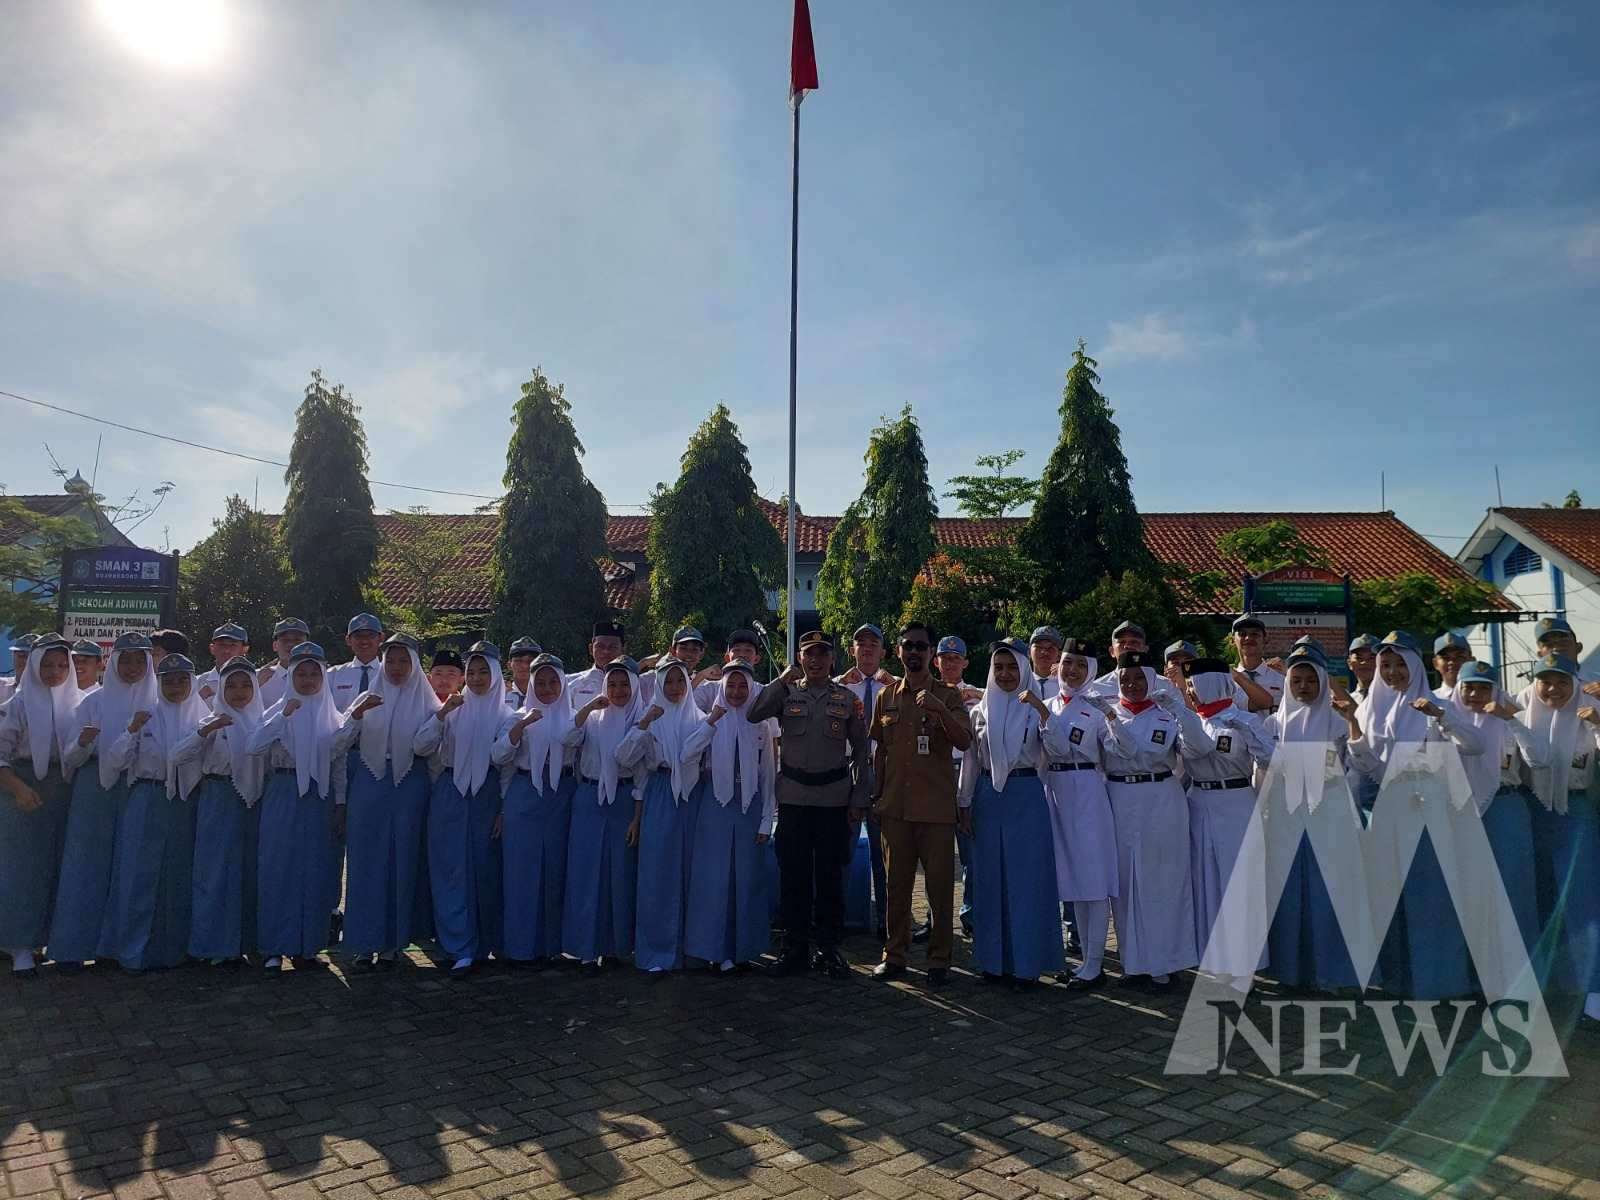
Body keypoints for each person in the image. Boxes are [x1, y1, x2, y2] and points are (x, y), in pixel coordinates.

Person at [1354, 631, 1480, 999]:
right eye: (1386, 665)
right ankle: (1395, 980)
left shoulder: (1438, 702)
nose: (1392, 672)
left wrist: (1441, 717)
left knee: (1430, 899)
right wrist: (1353, 730)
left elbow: (1475, 745)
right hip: (1386, 812)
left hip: (1431, 815)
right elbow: (1370, 769)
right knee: (1389, 901)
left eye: (1400, 665)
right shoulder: (1368, 709)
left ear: (1415, 666)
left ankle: (1437, 981)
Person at [1086, 649, 1212, 990]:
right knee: (1126, 885)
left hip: (1160, 798)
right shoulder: (1103, 715)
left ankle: (1165, 963)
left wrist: (1181, 710)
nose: (1132, 685)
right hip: (1118, 798)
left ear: (1152, 679)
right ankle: (1134, 964)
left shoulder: (1166, 714)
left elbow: (1196, 748)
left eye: (1140, 678)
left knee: (1162, 881)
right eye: (1125, 679)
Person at [747, 631, 868, 979]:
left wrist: (860, 797)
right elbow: (755, 713)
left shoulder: (847, 699)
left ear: (833, 660)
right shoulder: (787, 695)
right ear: (799, 658)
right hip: (795, 799)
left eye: (822, 655)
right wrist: (781, 680)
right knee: (793, 874)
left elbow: (860, 750)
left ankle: (828, 948)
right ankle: (794, 946)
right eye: (808, 654)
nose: (815, 661)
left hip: (833, 799)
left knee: (830, 876)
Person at [1261, 645, 1373, 992]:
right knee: (1289, 896)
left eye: (1312, 679)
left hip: (1330, 819)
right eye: (1297, 679)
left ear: (1324, 682)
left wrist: (1353, 722)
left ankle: (1331, 975)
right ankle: (1290, 974)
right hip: (1286, 820)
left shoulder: (1339, 719)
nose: (1305, 686)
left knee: (1328, 896)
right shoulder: (1272, 723)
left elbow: (1363, 764)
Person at [866, 623, 972, 984]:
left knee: (940, 889)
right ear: (898, 652)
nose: (914, 652)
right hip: (895, 807)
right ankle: (894, 955)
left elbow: (964, 742)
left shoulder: (948, 695)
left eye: (921, 647)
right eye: (907, 646)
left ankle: (939, 960)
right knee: (896, 886)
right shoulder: (887, 696)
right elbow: (879, 752)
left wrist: (941, 709)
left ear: (930, 653)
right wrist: (877, 796)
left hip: (936, 809)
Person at [333, 632, 441, 971]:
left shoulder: (427, 702)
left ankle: (395, 941)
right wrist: (356, 716)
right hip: (369, 782)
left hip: (410, 785)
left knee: (404, 860)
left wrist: (438, 719)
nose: (396, 668)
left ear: (414, 665)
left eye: (403, 661)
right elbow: (337, 743)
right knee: (367, 861)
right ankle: (364, 942)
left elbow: (429, 751)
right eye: (390, 660)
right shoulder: (367, 696)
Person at [50, 632, 157, 970]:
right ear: (113, 663)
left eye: (140, 661)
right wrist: (82, 744)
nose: (132, 667)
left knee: (129, 868)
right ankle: (73, 946)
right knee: (85, 866)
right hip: (94, 789)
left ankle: (116, 946)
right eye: (125, 660)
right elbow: (70, 757)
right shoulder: (92, 702)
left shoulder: (157, 702)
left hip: (138, 789)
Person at [959, 638, 1063, 986]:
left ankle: (1027, 964)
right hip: (989, 797)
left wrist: (1043, 711)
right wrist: (964, 802)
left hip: (1026, 794)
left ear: (1025, 669)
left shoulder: (1037, 707)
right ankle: (993, 961)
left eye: (1012, 667)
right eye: (999, 667)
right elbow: (972, 761)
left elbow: (1057, 750)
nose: (1005, 674)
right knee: (990, 878)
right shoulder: (980, 711)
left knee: (1025, 881)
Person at [99, 652, 205, 971]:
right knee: (137, 876)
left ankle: (173, 951)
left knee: (177, 877)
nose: (175, 687)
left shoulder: (202, 717)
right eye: (168, 681)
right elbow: (115, 762)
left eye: (182, 680)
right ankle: (130, 951)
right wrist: (131, 730)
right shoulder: (145, 715)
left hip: (185, 802)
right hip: (146, 797)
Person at [415, 642, 513, 978]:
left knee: (485, 868)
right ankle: (457, 945)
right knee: (450, 868)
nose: (477, 678)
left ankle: (486, 942)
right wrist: (442, 714)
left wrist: (502, 808)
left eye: (484, 671)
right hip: (450, 790)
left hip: (487, 794)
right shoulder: (451, 709)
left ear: (497, 675)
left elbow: (505, 764)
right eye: (471, 672)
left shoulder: (506, 714)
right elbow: (422, 745)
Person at [247, 642, 345, 972]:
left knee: (314, 870)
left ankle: (307, 946)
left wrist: (341, 804)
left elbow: (339, 765)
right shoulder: (276, 710)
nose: (306, 679)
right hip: (283, 791)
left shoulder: (332, 715)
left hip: (319, 796)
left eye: (313, 673)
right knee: (278, 868)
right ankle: (275, 946)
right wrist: (283, 716)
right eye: (300, 673)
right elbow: (254, 746)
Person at [1516, 652, 1600, 1027]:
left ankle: (1593, 993)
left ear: (1575, 683)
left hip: (1574, 813)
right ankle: (1553, 986)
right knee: (1540, 900)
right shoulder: (1519, 708)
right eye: (1545, 681)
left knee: (1582, 903)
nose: (1553, 689)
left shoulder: (1590, 709)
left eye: (1562, 681)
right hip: (1531, 812)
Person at [1180, 657, 1275, 986]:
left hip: (1235, 802)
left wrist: (1248, 728)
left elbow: (1272, 757)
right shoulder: (1191, 721)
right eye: (1188, 686)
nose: (1190, 692)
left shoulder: (1241, 719)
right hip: (1199, 803)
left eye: (1194, 685)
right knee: (1205, 881)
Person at [1449, 660, 1541, 982]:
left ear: (1495, 690)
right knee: (1471, 897)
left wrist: (1512, 721)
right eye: (1469, 687)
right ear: (1458, 689)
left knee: (1514, 896)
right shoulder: (1444, 722)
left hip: (1506, 808)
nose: (1475, 694)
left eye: (1484, 687)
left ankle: (1518, 978)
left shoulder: (1509, 720)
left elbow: (1539, 759)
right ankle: (1475, 981)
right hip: (1461, 812)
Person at [683, 661, 776, 972]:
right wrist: (711, 722)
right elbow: (687, 754)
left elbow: (768, 775)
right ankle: (712, 949)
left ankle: (743, 951)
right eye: (731, 686)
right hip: (714, 806)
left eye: (742, 686)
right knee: (714, 880)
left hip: (748, 807)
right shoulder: (711, 718)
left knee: (746, 878)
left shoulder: (760, 723)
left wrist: (766, 820)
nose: (736, 692)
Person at [0, 635, 83, 976]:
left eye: (63, 665)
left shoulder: (78, 703)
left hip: (63, 791)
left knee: (59, 868)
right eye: (47, 665)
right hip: (23, 790)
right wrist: (17, 787)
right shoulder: (16, 705)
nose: (55, 672)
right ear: (33, 666)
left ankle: (52, 940)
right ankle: (19, 944)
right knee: (23, 870)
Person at [561, 658, 648, 973]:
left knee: (619, 873)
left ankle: (614, 946)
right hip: (589, 797)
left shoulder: (641, 719)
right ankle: (586, 948)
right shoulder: (592, 718)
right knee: (586, 872)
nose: (618, 690)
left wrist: (637, 818)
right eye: (612, 684)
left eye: (625, 684)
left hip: (624, 800)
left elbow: (641, 777)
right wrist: (586, 710)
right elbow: (568, 740)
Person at [178, 657, 266, 967]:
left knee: (248, 872)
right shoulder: (210, 720)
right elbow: (178, 756)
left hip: (253, 803)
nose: (239, 692)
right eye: (231, 685)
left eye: (245, 685)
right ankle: (212, 945)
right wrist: (206, 732)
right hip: (217, 797)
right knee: (214, 872)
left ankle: (246, 942)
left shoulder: (262, 721)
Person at [1042, 640, 1118, 992]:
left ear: (1091, 672)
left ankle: (1094, 962)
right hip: (1054, 790)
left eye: (1080, 666)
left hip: (1087, 788)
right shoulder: (1046, 705)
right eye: (1067, 663)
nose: (1071, 671)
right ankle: (1082, 959)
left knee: (1093, 880)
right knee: (1071, 880)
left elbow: (1116, 750)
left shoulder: (1098, 709)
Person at [494, 653, 574, 967]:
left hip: (562, 795)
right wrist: (522, 726)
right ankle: (520, 946)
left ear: (563, 683)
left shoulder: (576, 717)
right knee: (521, 872)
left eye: (553, 681)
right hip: (525, 794)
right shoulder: (517, 716)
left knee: (556, 870)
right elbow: (499, 757)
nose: (547, 688)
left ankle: (552, 945)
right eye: (540, 682)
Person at [629, 661, 706, 973]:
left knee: (693, 870)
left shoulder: (700, 718)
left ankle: (693, 948)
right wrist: (645, 723)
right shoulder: (648, 718)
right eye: (669, 682)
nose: (674, 688)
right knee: (658, 871)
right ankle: (656, 952)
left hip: (693, 794)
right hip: (660, 791)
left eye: (680, 681)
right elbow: (625, 758)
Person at [837, 622, 893, 940]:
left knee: (883, 854)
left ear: (883, 652)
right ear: (852, 651)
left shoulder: (894, 687)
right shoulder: (842, 687)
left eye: (874, 644)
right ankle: (840, 918)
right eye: (861, 643)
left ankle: (887, 921)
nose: (867, 649)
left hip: (883, 774)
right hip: (849, 773)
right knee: (843, 851)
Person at [935, 635, 981, 936]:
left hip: (967, 774)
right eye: (944, 658)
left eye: (955, 658)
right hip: (935, 776)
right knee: (934, 855)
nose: (950, 663)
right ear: (935, 661)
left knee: (970, 853)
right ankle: (934, 920)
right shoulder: (924, 692)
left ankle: (971, 915)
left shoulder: (981, 696)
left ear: (965, 662)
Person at [327, 613, 384, 713]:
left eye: (371, 635)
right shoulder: (333, 674)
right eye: (358, 636)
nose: (364, 640)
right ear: (348, 640)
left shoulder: (390, 674)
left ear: (381, 638)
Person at [568, 621, 627, 712]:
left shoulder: (636, 684)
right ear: (591, 649)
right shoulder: (571, 683)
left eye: (613, 647)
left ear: (623, 649)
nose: (606, 651)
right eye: (600, 646)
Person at [1232, 615, 1285, 711]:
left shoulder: (1281, 679)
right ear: (1233, 640)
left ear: (1265, 639)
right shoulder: (1227, 681)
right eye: (1242, 634)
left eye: (1255, 634)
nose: (1248, 638)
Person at [256, 618, 310, 710]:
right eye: (285, 640)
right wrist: (255, 686)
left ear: (307, 645)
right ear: (275, 646)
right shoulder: (257, 678)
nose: (291, 644)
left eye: (297, 640)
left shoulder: (324, 676)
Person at [196, 622, 249, 705]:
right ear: (212, 648)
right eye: (221, 645)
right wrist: (198, 699)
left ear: (244, 649)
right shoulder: (198, 682)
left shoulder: (255, 680)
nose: (226, 650)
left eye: (233, 645)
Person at [0, 632, 38, 707]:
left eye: (31, 656)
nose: (25, 661)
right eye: (21, 656)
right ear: (13, 656)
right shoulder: (1, 686)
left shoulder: (51, 691)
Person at [504, 636, 542, 707]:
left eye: (530, 661)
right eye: (518, 661)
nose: (525, 666)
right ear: (509, 665)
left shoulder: (547, 695)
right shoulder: (501, 695)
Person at [1432, 633, 1472, 699]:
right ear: (1435, 663)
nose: (1452, 662)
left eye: (1459, 657)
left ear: (1471, 661)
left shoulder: (1485, 701)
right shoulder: (1430, 700)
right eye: (1445, 657)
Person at [1028, 627, 1063, 702]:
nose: (1044, 652)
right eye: (1039, 647)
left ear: (1059, 655)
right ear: (1029, 653)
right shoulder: (1022, 682)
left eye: (1051, 648)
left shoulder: (1067, 684)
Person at [1348, 634, 1380, 701]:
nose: (1365, 662)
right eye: (1359, 658)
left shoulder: (1393, 699)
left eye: (1371, 658)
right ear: (1349, 663)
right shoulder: (1347, 700)